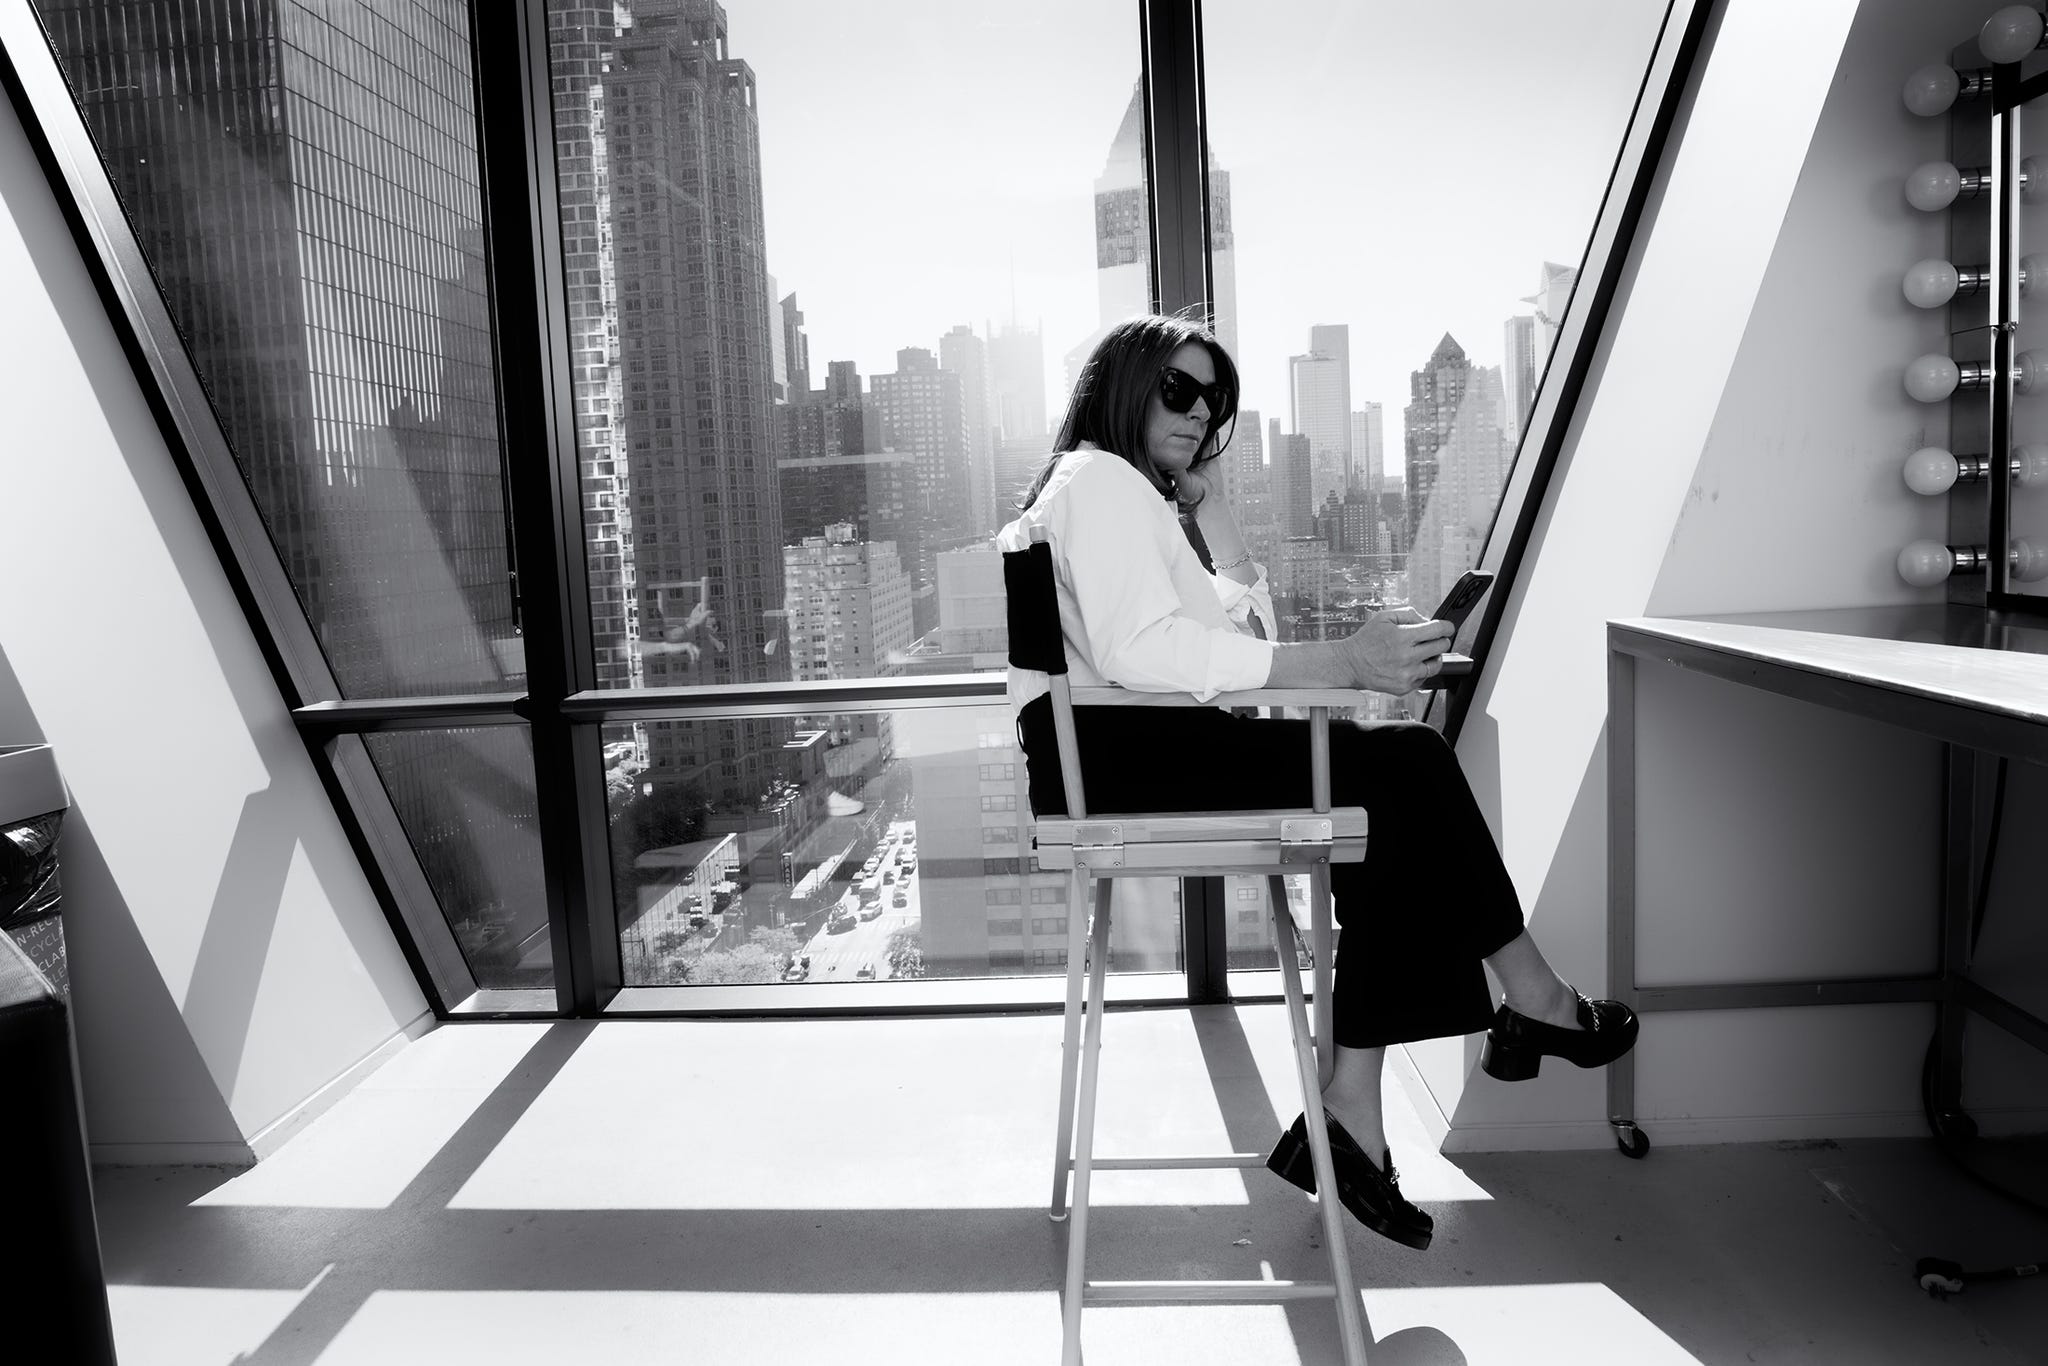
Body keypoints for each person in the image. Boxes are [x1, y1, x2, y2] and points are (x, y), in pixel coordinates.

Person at [995, 313, 1636, 1252]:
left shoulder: (1122, 493)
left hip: (1127, 750)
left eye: (1213, 400)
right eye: (1178, 388)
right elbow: (1145, 650)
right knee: (1406, 768)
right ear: (1124, 382)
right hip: (1129, 754)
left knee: (1390, 799)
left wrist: (1207, 510)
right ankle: (1505, 1015)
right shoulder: (1100, 482)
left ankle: (1369, 1102)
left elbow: (1240, 640)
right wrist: (1344, 660)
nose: (1198, 409)